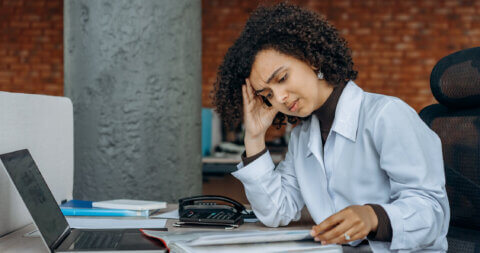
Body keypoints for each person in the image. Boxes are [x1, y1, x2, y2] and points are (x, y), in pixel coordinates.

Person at [212, 3, 450, 252]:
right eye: (267, 94)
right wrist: (254, 137)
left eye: (282, 79)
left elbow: (433, 212)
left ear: (312, 58)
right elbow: (276, 212)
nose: (279, 97)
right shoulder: (302, 136)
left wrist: (373, 216)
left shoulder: (386, 115)